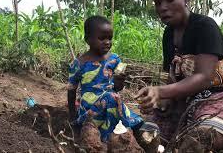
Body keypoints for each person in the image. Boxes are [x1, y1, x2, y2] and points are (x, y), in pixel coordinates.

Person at [135, 0, 223, 152]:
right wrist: (159, 100)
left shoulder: (204, 26)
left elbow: (203, 77)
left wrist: (159, 91)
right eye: (157, 2)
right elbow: (173, 79)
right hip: (190, 98)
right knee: (147, 133)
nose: (163, 7)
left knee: (202, 136)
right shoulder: (168, 34)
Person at [67, 15, 158, 147]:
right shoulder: (79, 63)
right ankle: (109, 139)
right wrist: (72, 116)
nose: (107, 42)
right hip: (91, 109)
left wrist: (119, 81)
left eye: (110, 38)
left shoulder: (114, 60)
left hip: (113, 104)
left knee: (118, 102)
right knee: (112, 98)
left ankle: (142, 136)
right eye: (102, 38)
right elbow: (71, 90)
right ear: (88, 40)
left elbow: (117, 88)